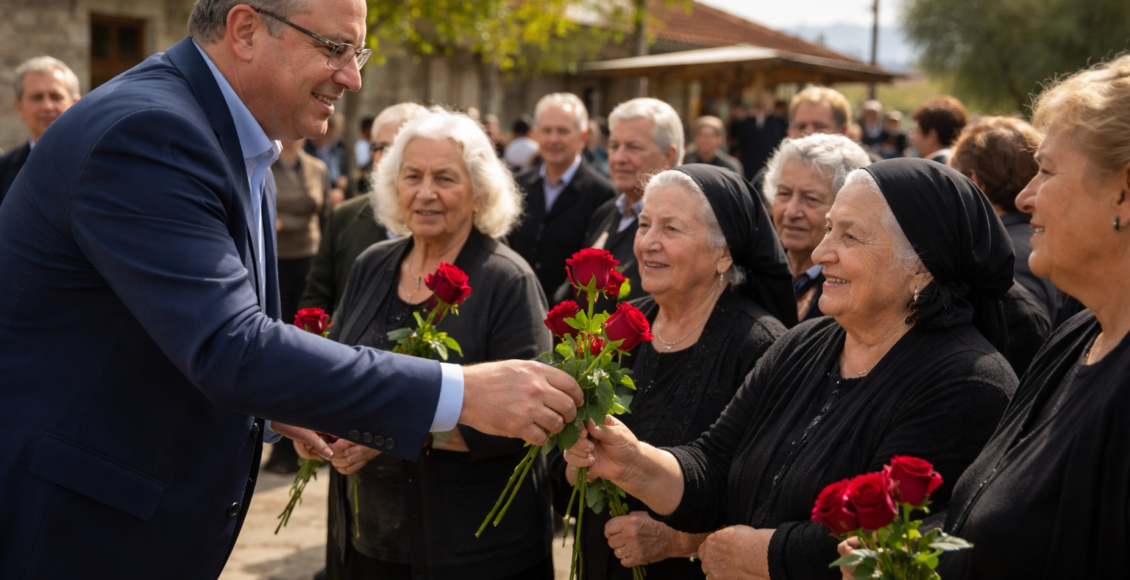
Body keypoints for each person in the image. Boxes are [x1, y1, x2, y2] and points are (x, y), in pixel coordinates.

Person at [0, 1, 583, 575]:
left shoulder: (240, 141)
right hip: (75, 528)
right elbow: (231, 345)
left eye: (358, 53)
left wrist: (282, 406)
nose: (352, 77)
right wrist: (461, 392)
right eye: (333, 48)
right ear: (246, 29)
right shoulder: (153, 133)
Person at [566, 158, 1019, 580]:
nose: (822, 251)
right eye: (828, 231)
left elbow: (881, 541)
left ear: (921, 267)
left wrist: (761, 554)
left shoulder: (965, 381)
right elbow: (715, 463)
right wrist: (632, 462)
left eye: (849, 236)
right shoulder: (805, 343)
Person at [845, 53, 1130, 580]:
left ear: (1125, 191)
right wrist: (904, 558)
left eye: (1045, 171)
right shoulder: (1079, 335)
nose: (1024, 197)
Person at [306, 108, 554, 579]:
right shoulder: (372, 264)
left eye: (445, 178)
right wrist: (317, 429)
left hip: (473, 550)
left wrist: (391, 434)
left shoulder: (507, 280)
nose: (425, 193)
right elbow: (336, 370)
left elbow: (531, 420)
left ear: (479, 193)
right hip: (368, 539)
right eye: (412, 176)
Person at [554, 165, 794, 580]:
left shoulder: (760, 347)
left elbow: (770, 500)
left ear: (724, 253)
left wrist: (678, 541)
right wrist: (574, 460)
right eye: (645, 223)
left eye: (671, 228)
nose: (647, 243)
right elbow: (568, 476)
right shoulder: (624, 326)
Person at [299, 102, 425, 316]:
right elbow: (317, 299)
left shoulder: (446, 221)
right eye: (385, 148)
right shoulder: (345, 217)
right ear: (372, 153)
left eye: (405, 148)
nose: (394, 159)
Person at [566, 98, 683, 307]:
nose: (619, 158)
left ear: (668, 156)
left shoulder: (679, 225)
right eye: (613, 146)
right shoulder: (607, 212)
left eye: (633, 147)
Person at [949, 116, 1064, 321]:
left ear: (974, 182)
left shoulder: (1001, 256)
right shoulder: (1042, 238)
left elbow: (1026, 336)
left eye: (952, 179)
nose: (947, 194)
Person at [509, 93, 617, 302]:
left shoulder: (603, 194)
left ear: (583, 137)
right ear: (536, 135)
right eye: (546, 131)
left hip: (567, 323)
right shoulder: (516, 185)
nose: (553, 139)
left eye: (563, 131)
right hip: (512, 309)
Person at [261, 137, 327, 474]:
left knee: (309, 346)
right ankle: (283, 447)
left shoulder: (318, 168)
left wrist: (286, 222)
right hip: (274, 260)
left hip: (309, 261)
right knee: (280, 347)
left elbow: (321, 213)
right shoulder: (266, 164)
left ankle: (318, 436)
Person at [763, 133, 873, 321]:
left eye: (811, 199)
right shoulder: (757, 275)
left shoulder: (856, 292)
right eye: (783, 193)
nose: (791, 211)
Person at [748, 86, 854, 201]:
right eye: (801, 126)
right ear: (790, 132)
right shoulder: (768, 178)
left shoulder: (862, 178)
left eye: (819, 126)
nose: (808, 133)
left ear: (842, 131)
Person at [0, 56, 80, 206]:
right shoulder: (3, 170)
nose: (47, 106)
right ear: (19, 108)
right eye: (36, 98)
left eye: (56, 97)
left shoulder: (97, 163)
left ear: (75, 104)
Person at [732, 94, 787, 179]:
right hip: (749, 165)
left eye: (765, 103)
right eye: (760, 104)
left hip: (771, 164)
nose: (762, 106)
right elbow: (738, 141)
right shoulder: (746, 122)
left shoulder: (779, 122)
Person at [912, 95, 968, 165]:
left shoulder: (927, 172)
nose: (913, 137)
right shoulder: (966, 167)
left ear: (931, 136)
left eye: (917, 131)